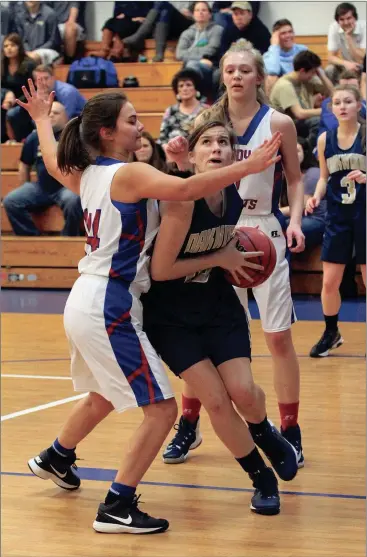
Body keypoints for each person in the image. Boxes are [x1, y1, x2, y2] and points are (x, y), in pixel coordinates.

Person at [19, 76, 281, 534]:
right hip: (110, 299)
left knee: (104, 391)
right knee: (161, 410)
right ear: (106, 132)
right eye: (132, 120)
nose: (141, 127)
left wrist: (42, 121)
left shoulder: (91, 174)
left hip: (90, 297)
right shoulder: (127, 173)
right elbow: (183, 191)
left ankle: (56, 456)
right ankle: (117, 505)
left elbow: (52, 159)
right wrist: (248, 165)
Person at [143, 119, 299, 516]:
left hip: (216, 305)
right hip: (172, 316)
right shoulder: (179, 199)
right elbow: (161, 270)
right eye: (207, 143)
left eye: (224, 143)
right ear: (194, 156)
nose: (216, 148)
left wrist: (241, 259)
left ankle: (263, 429)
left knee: (244, 392)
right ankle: (261, 478)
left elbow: (223, 245)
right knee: (214, 400)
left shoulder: (232, 193)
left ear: (234, 156)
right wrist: (220, 258)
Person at [162, 39, 306, 468]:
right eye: (230, 70)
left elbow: (295, 179)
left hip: (262, 228)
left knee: (278, 337)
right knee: (207, 336)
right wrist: (175, 159)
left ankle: (291, 429)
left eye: (245, 70)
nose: (237, 76)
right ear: (222, 76)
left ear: (259, 76)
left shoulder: (278, 121)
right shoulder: (208, 120)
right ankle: (189, 423)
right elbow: (188, 175)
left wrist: (294, 219)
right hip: (215, 230)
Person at [306, 84, 366, 357]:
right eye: (337, 102)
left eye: (348, 101)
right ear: (331, 109)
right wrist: (315, 197)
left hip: (364, 213)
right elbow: (322, 178)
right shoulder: (324, 140)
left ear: (358, 105)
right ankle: (331, 332)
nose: (342, 106)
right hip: (338, 216)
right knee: (329, 282)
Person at [3, 101, 82, 236]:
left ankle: (68, 240)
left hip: (67, 188)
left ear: (66, 117)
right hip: (41, 187)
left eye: (56, 113)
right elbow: (24, 164)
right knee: (11, 201)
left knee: (74, 200)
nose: (51, 116)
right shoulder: (35, 136)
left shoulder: (76, 137)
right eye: (48, 113)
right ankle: (31, 239)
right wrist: (25, 186)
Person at [270, 50, 333, 150]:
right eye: (313, 72)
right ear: (303, 71)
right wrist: (327, 110)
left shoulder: (306, 80)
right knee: (318, 121)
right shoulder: (284, 85)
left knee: (329, 120)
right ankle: (309, 152)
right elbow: (299, 114)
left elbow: (332, 93)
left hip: (301, 123)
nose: (313, 75)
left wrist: (322, 75)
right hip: (285, 125)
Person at [7, 63, 86, 142]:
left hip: (78, 125)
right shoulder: (39, 94)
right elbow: (36, 119)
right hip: (53, 125)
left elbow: (63, 120)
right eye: (40, 80)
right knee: (13, 114)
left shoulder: (67, 92)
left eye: (46, 78)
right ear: (35, 83)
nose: (44, 83)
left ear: (53, 78)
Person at [280, 139, 326, 249]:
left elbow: (303, 208)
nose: (293, 154)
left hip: (317, 219)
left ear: (305, 154)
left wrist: (275, 213)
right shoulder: (281, 176)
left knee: (279, 228)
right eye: (289, 151)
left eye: (297, 151)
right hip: (303, 219)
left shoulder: (313, 173)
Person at [176, 2, 223, 100]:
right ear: (193, 14)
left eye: (204, 10)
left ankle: (197, 99)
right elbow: (179, 54)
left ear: (210, 14)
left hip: (212, 66)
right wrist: (200, 59)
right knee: (191, 65)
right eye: (197, 10)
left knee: (191, 65)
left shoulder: (218, 30)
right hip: (192, 66)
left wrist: (190, 53)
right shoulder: (187, 33)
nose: (200, 13)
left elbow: (211, 50)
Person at [158, 68, 207, 148]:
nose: (184, 89)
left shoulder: (206, 110)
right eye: (181, 86)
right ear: (177, 91)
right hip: (172, 154)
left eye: (188, 85)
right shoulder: (170, 111)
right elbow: (162, 138)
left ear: (196, 89)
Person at [1, 33, 37, 142]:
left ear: (19, 47)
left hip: (26, 100)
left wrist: (14, 102)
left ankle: (17, 141)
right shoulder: (2, 64)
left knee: (12, 113)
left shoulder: (29, 64)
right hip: (6, 100)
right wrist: (8, 93)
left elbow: (33, 89)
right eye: (6, 46)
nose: (9, 49)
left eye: (12, 45)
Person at [263, 19, 307, 96]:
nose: (288, 36)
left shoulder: (302, 50)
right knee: (271, 78)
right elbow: (273, 71)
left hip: (302, 87)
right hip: (284, 91)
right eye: (283, 33)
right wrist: (274, 46)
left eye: (290, 32)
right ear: (275, 36)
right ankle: (271, 107)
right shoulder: (269, 55)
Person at [10, 1, 61, 65]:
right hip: (28, 52)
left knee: (31, 58)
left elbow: (53, 41)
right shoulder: (20, 16)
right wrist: (27, 51)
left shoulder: (50, 14)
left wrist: (34, 52)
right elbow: (22, 39)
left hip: (49, 50)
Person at [318, 70, 366, 138]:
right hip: (329, 142)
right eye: (344, 87)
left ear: (359, 87)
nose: (348, 91)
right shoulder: (329, 102)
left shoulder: (363, 103)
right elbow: (333, 126)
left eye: (353, 87)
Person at [326, 2, 366, 84]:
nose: (346, 22)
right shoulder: (334, 27)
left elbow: (361, 60)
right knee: (329, 70)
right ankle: (334, 95)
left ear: (355, 18)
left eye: (349, 18)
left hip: (363, 66)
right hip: (346, 65)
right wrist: (346, 64)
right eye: (342, 19)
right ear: (337, 21)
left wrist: (348, 37)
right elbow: (330, 57)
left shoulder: (364, 27)